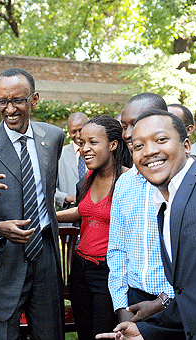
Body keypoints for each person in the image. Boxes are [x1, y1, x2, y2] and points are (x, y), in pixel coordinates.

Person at [98, 109, 196, 340]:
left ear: (186, 146)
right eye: (139, 145)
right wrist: (146, 331)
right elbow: (191, 296)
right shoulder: (163, 208)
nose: (150, 151)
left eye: (161, 139)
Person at [0, 67, 65, 340]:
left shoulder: (53, 137)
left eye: (18, 100)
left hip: (45, 255)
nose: (9, 109)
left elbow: (46, 189)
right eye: (1, 101)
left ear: (34, 99)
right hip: (3, 261)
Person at [56, 115, 132, 339]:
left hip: (108, 272)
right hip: (80, 268)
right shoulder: (89, 176)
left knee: (103, 334)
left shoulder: (129, 180)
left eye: (93, 142)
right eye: (82, 143)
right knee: (84, 334)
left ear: (113, 144)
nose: (84, 149)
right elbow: (84, 210)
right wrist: (50, 216)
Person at [108, 93, 175, 324]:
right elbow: (117, 250)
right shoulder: (125, 183)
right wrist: (121, 306)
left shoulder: (186, 181)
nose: (127, 133)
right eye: (124, 126)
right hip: (134, 301)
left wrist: (164, 301)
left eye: (134, 124)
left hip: (178, 302)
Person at [55, 112, 88, 227]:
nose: (78, 135)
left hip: (93, 219)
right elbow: (48, 189)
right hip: (68, 222)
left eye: (81, 130)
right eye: (73, 132)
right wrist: (67, 197)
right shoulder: (59, 155)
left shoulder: (99, 152)